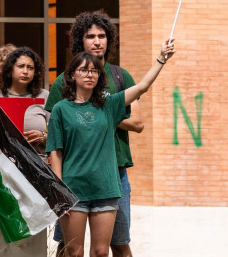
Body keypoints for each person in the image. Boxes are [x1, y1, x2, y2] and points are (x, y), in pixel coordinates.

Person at [47, 39, 175, 257]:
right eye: (84, 70)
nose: (89, 75)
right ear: (73, 75)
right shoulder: (61, 109)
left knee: (101, 252)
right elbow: (55, 152)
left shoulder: (109, 106)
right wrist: (59, 191)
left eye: (94, 71)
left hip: (106, 189)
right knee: (73, 253)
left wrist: (161, 59)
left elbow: (142, 86)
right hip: (73, 190)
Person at [44, 11, 141, 257]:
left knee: (119, 244)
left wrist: (100, 111)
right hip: (73, 176)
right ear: (81, 41)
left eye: (102, 36)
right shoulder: (62, 82)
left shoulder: (120, 76)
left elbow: (138, 123)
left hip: (114, 173)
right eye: (91, 36)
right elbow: (55, 129)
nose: (97, 41)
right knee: (67, 247)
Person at [0, 47, 50, 156]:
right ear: (10, 69)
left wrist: (43, 137)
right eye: (21, 66)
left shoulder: (45, 96)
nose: (25, 71)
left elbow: (60, 136)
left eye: (30, 68)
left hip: (39, 164)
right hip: (4, 165)